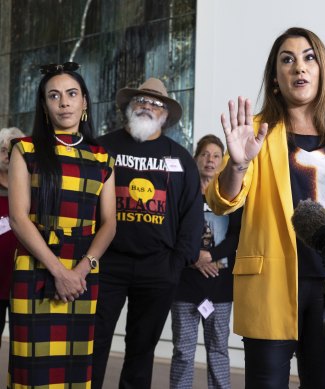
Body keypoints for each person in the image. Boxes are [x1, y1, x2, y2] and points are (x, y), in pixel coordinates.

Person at [206, 27, 325, 389]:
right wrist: (237, 165)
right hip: (272, 282)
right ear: (275, 78)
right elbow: (222, 201)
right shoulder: (256, 132)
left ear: (322, 71)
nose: (299, 67)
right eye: (287, 60)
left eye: (308, 57)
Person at [7, 62, 117, 387]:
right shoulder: (25, 150)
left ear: (84, 101)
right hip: (36, 265)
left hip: (84, 269)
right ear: (44, 105)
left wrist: (81, 270)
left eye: (71, 94)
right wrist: (58, 271)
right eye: (54, 96)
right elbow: (18, 217)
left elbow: (109, 223)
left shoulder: (102, 157)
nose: (64, 102)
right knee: (33, 367)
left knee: (75, 367)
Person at [92, 77, 204, 389]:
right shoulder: (102, 148)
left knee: (142, 350)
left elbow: (193, 215)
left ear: (166, 115)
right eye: (141, 100)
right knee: (93, 344)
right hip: (106, 265)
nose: (148, 106)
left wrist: (176, 264)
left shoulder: (180, 159)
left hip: (158, 269)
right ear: (129, 106)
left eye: (156, 103)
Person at [170, 134, 242, 389]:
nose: (210, 161)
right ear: (196, 158)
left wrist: (209, 255)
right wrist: (194, 259)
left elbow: (236, 236)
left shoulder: (232, 198)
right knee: (183, 351)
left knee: (218, 350)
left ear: (223, 162)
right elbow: (172, 233)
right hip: (184, 286)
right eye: (205, 155)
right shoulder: (181, 195)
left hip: (220, 288)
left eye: (216, 156)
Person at [0, 126, 25, 349]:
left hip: (24, 281)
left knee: (23, 348)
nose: (8, 154)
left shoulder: (33, 189)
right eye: (3, 149)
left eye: (14, 148)